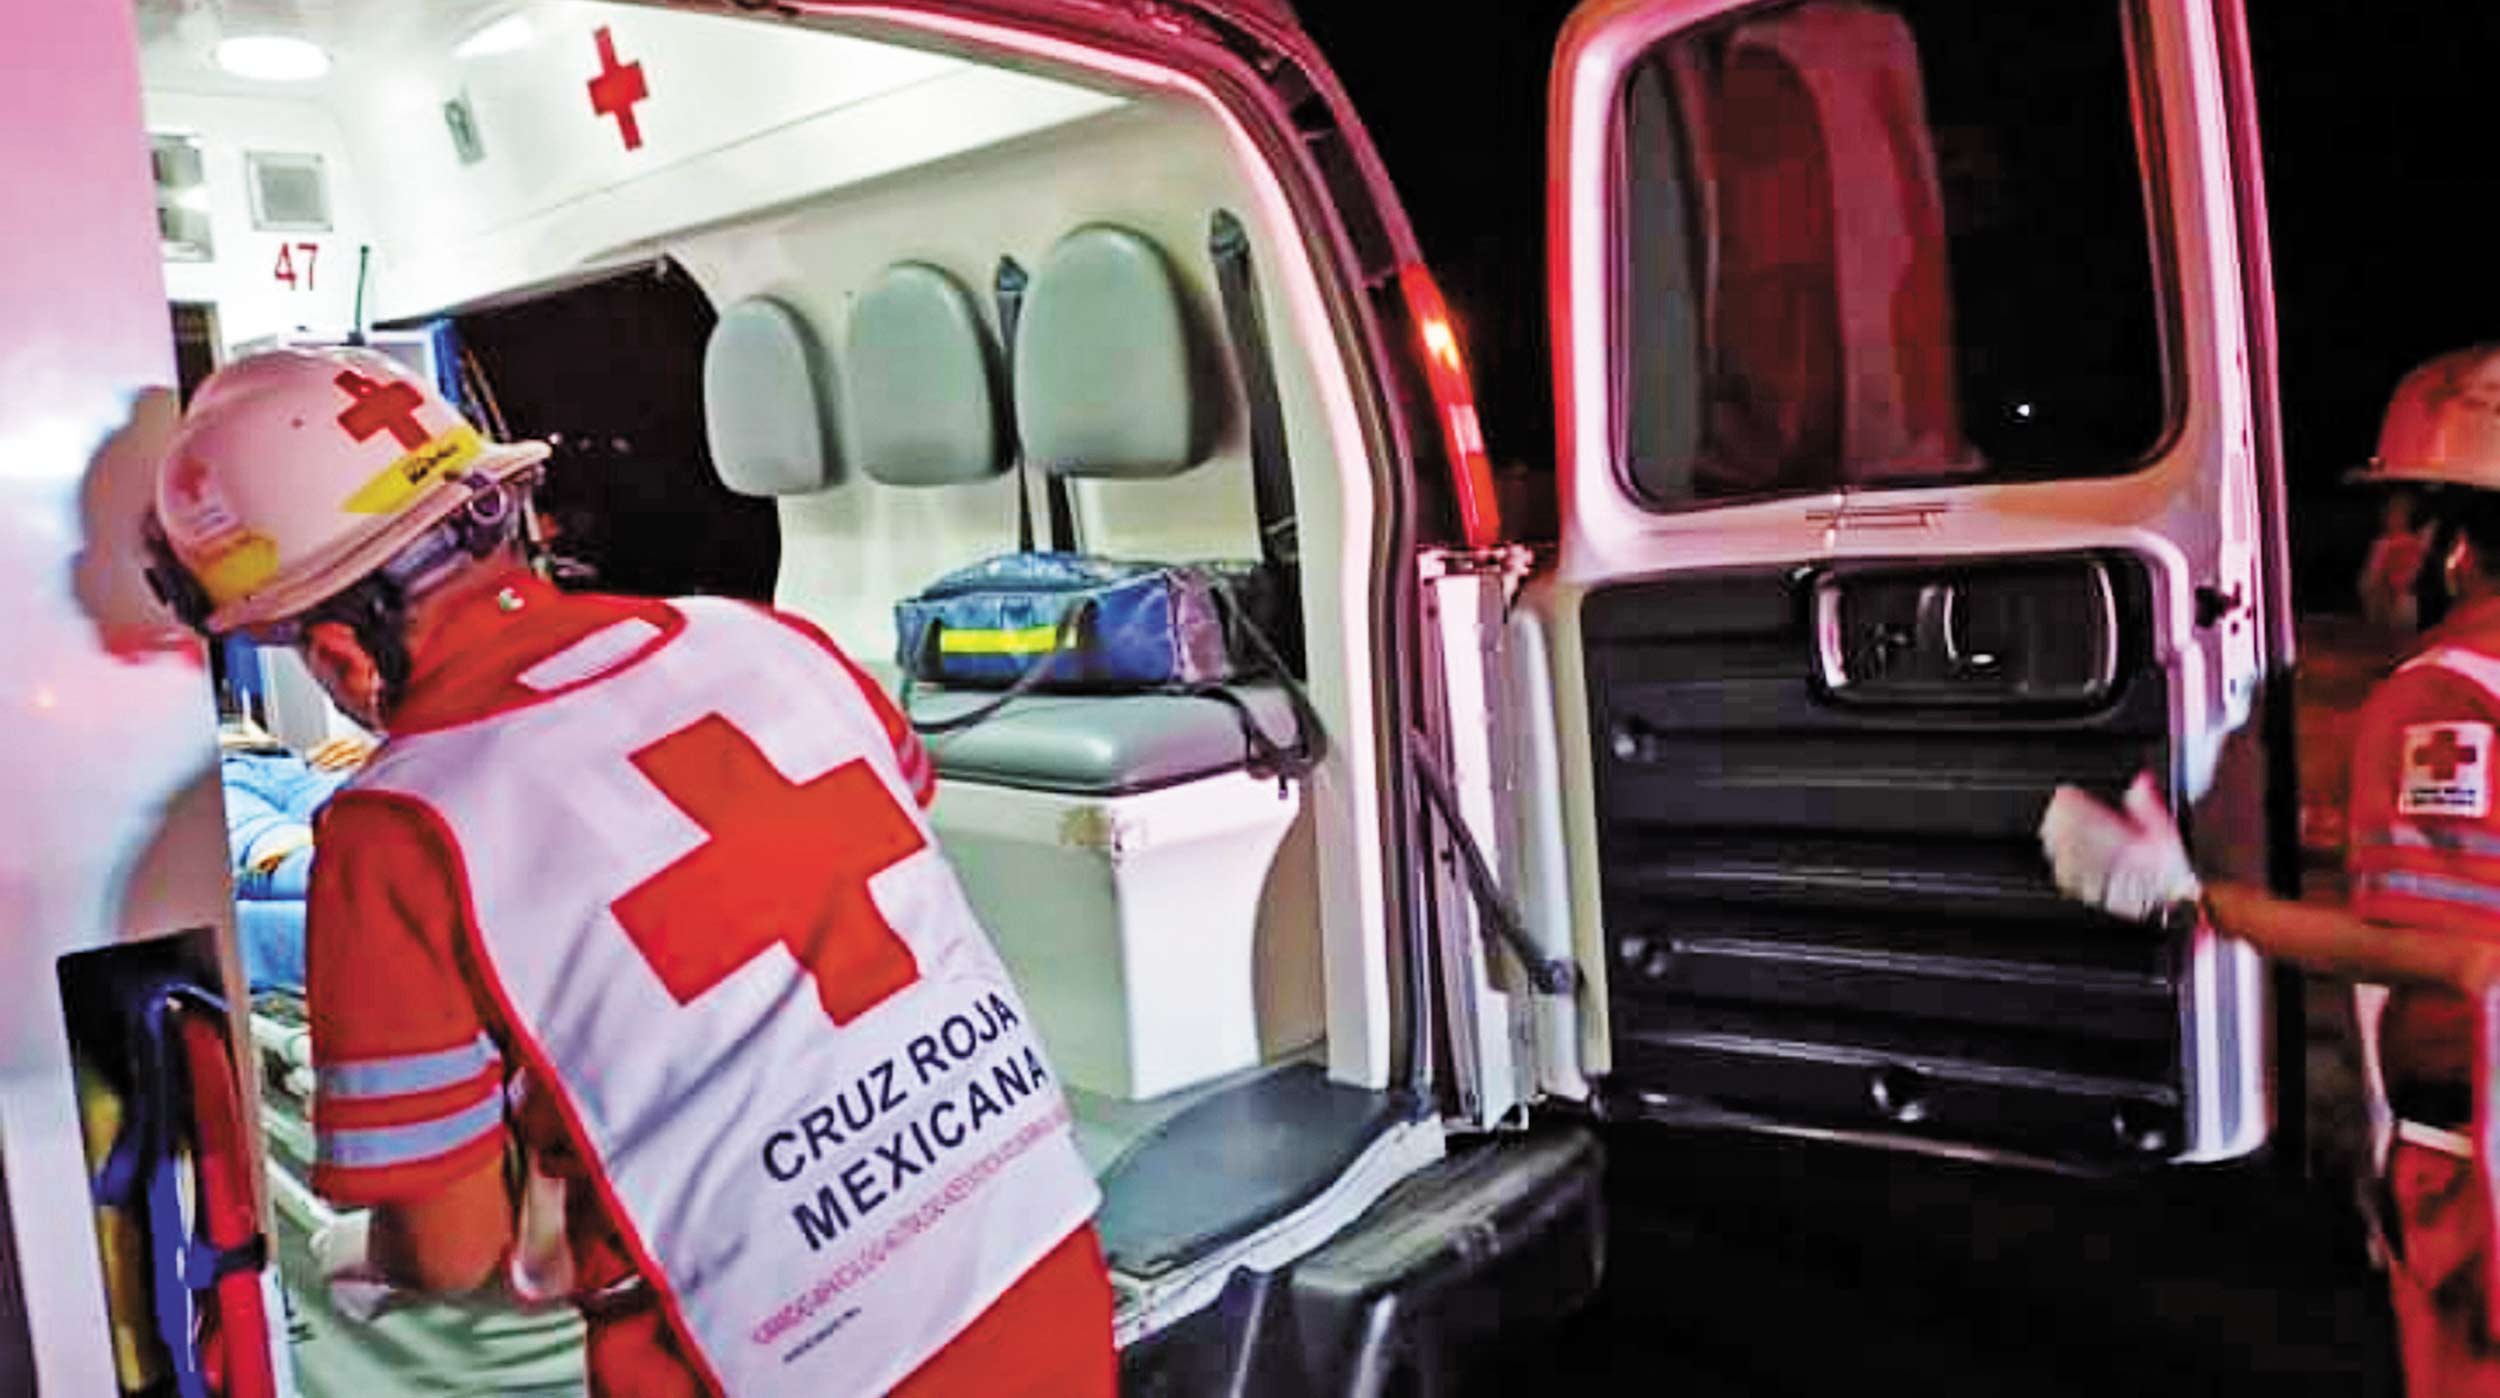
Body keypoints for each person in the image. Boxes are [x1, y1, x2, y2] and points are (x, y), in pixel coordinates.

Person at [142, 346, 1111, 1397]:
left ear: (335, 650)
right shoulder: (773, 640)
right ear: (499, 513)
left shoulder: (397, 829)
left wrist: (367, 1255)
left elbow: (451, 1250)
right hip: (1046, 1280)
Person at [2040, 345, 2500, 1396]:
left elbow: (2461, 964)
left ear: (2452, 540)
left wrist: (2196, 899)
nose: (2378, 553)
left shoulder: (2443, 693)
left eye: (2395, 519)